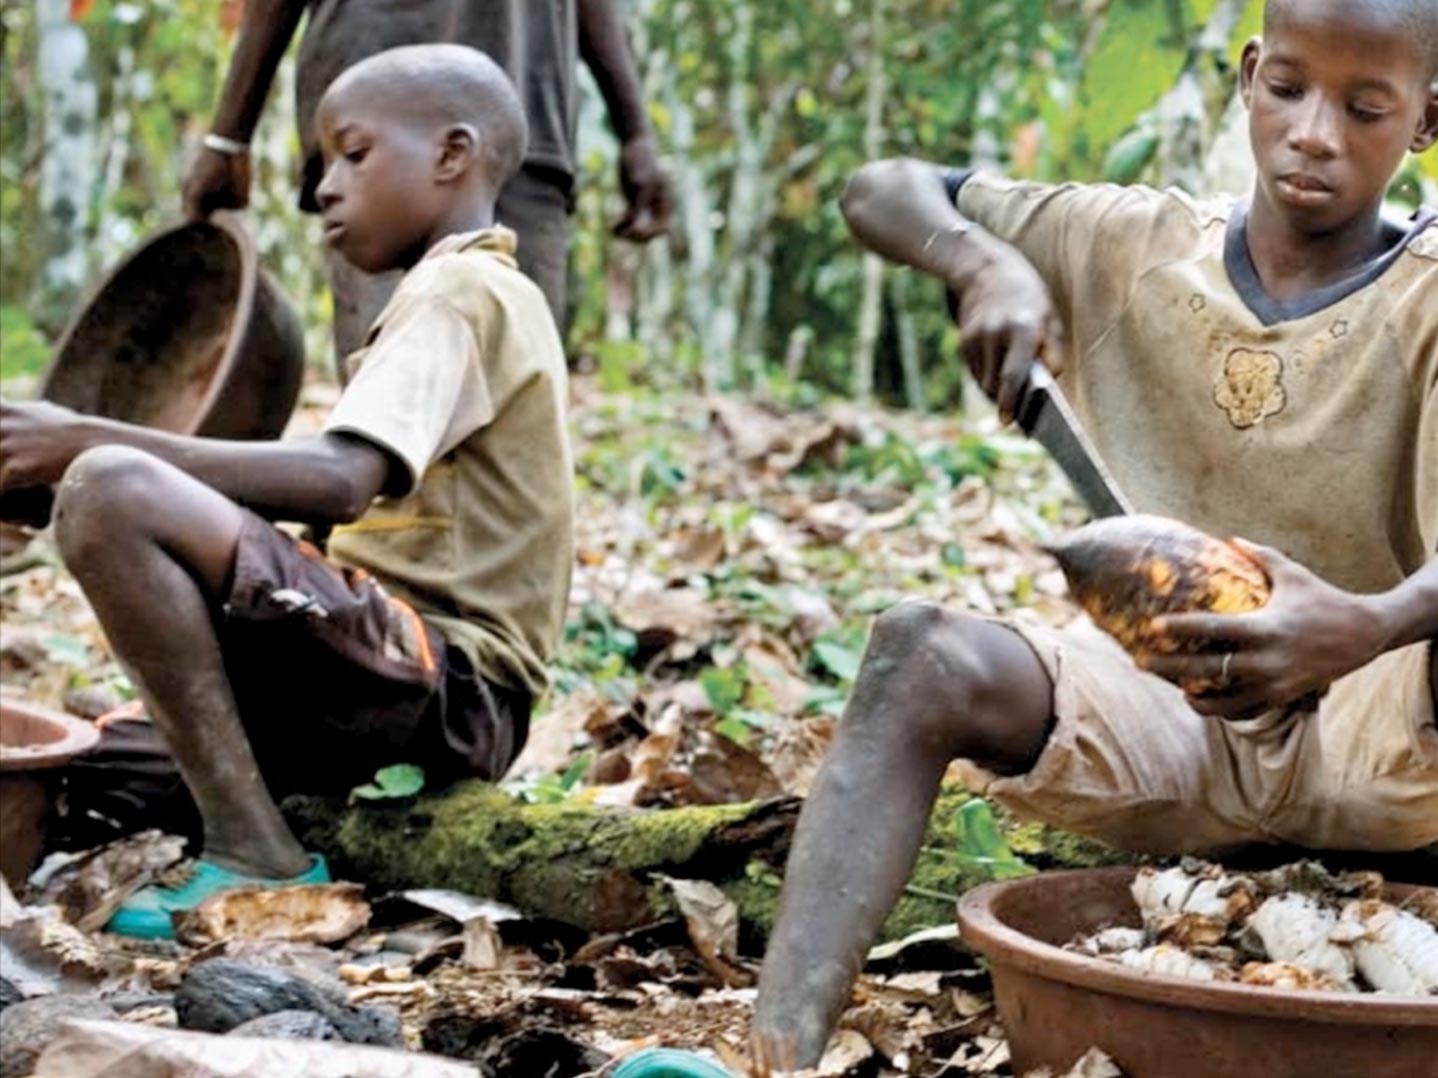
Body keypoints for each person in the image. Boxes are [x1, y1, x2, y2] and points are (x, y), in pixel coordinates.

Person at [750, 0, 1438, 1067]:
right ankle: (777, 1047)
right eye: (1288, 87)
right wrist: (981, 262)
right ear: (1247, 75)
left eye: (1365, 108)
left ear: (1426, 120)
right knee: (920, 652)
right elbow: (879, 187)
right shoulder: (1136, 243)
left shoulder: (1426, 296)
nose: (1312, 132)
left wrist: (1370, 622)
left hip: (1383, 723)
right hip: (1167, 717)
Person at [0, 44, 574, 939]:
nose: (323, 193)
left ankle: (252, 849)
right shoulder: (460, 295)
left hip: (448, 688)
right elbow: (314, 521)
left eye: (353, 153)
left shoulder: (462, 290)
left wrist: (87, 442)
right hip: (376, 682)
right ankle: (229, 819)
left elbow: (342, 482)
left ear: (452, 155)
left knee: (109, 484)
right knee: (73, 773)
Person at [184, 0, 671, 359]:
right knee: (386, 374)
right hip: (378, 120)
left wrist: (636, 131)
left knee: (514, 373)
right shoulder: (365, 161)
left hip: (523, 105)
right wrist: (228, 137)